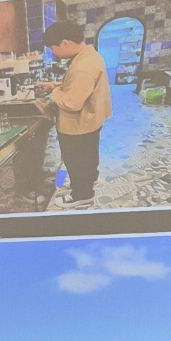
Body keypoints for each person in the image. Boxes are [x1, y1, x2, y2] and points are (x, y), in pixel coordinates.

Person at [43, 18, 113, 208]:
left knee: (77, 162)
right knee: (88, 159)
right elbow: (79, 85)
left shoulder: (82, 66)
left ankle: (82, 196)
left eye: (53, 48)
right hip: (91, 121)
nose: (53, 52)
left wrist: (54, 93)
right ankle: (85, 183)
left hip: (78, 126)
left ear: (65, 43)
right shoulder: (89, 56)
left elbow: (72, 103)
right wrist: (55, 85)